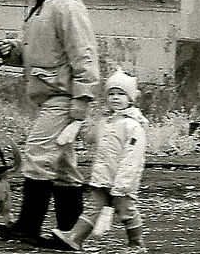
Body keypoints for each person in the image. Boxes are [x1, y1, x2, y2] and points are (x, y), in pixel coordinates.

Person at [0, 0, 101, 245]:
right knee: (63, 168)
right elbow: (40, 53)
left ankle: (28, 226)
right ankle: (68, 233)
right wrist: (12, 51)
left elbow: (84, 53)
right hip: (51, 93)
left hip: (62, 96)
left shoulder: (64, 3)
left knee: (37, 155)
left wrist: (83, 98)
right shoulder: (40, 3)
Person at [49, 70, 148, 252]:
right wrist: (77, 127)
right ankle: (74, 238)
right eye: (111, 93)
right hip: (103, 177)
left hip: (122, 181)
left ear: (131, 98)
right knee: (92, 209)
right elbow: (94, 141)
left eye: (121, 94)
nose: (115, 98)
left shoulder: (133, 125)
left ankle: (136, 243)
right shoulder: (106, 122)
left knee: (126, 212)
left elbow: (132, 158)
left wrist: (123, 184)